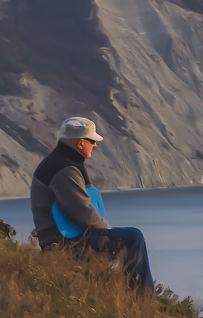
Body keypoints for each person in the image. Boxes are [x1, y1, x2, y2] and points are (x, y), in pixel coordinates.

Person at [30, 116, 154, 293]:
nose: (95, 145)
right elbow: (84, 214)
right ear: (81, 143)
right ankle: (140, 298)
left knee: (130, 236)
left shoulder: (62, 162)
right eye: (92, 141)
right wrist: (109, 234)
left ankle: (135, 293)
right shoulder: (65, 169)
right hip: (62, 243)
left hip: (64, 237)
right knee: (133, 238)